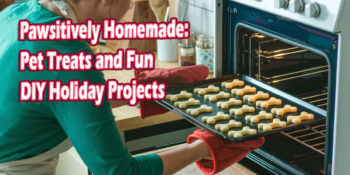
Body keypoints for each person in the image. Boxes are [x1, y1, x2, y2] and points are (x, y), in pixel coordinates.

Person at [0, 0, 264, 175]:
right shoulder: (67, 55)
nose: (125, 16)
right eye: (125, 7)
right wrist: (204, 147)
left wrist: (135, 92)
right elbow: (119, 172)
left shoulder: (20, 12)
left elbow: (56, 94)